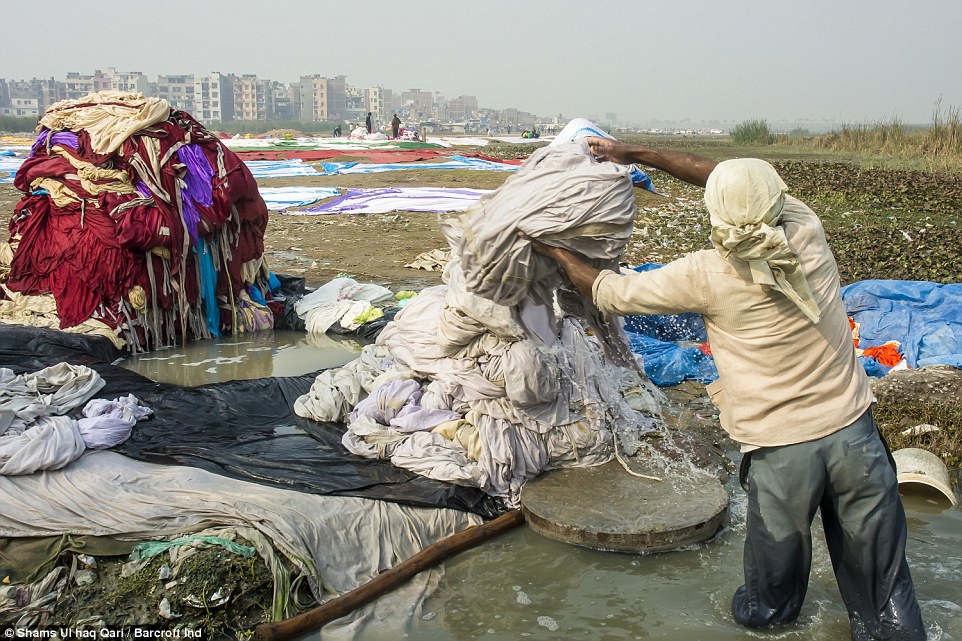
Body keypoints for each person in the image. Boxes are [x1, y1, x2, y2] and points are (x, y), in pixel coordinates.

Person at [523, 139, 926, 641]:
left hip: (783, 454)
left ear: (718, 214)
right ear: (774, 202)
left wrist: (552, 248)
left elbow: (609, 291)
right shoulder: (806, 230)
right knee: (885, 595)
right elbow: (727, 176)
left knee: (770, 606)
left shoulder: (706, 274)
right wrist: (638, 154)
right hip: (855, 436)